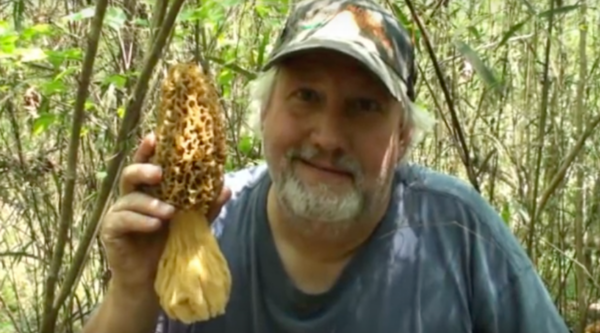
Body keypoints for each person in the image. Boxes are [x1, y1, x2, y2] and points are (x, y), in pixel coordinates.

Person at [82, 0, 571, 332]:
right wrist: (131, 291)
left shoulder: (459, 234)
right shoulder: (208, 229)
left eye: (364, 107)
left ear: (402, 138)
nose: (329, 137)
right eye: (306, 96)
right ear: (265, 111)